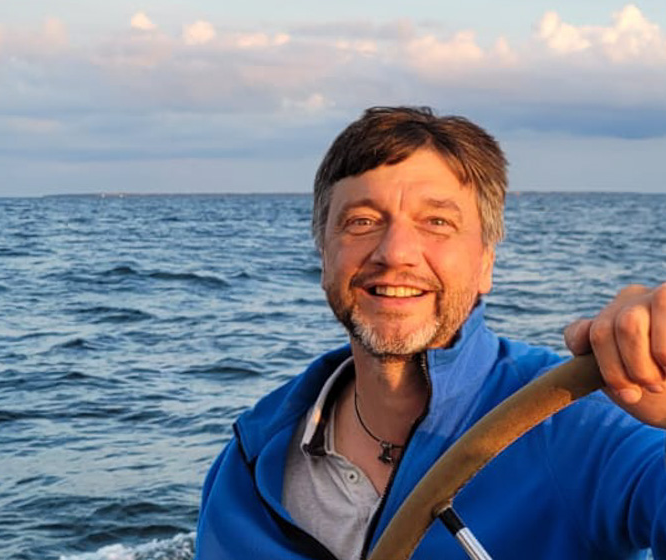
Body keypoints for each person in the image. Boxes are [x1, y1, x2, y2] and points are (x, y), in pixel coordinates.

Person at [193, 106, 666, 559]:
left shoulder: (576, 423)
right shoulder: (252, 462)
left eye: (437, 222)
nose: (395, 252)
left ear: (485, 263)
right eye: (362, 222)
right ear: (325, 255)